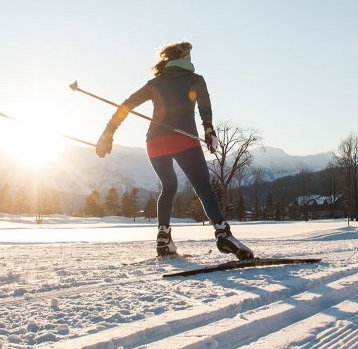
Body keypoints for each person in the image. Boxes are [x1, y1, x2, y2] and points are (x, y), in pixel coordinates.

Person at [94, 41, 254, 260]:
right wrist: (209, 130)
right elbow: (204, 106)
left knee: (169, 187)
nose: (191, 59)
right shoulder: (195, 79)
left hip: (155, 142)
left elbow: (127, 105)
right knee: (204, 188)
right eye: (189, 55)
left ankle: (163, 236)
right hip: (184, 139)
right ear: (183, 57)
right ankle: (223, 233)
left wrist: (108, 132)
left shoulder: (155, 83)